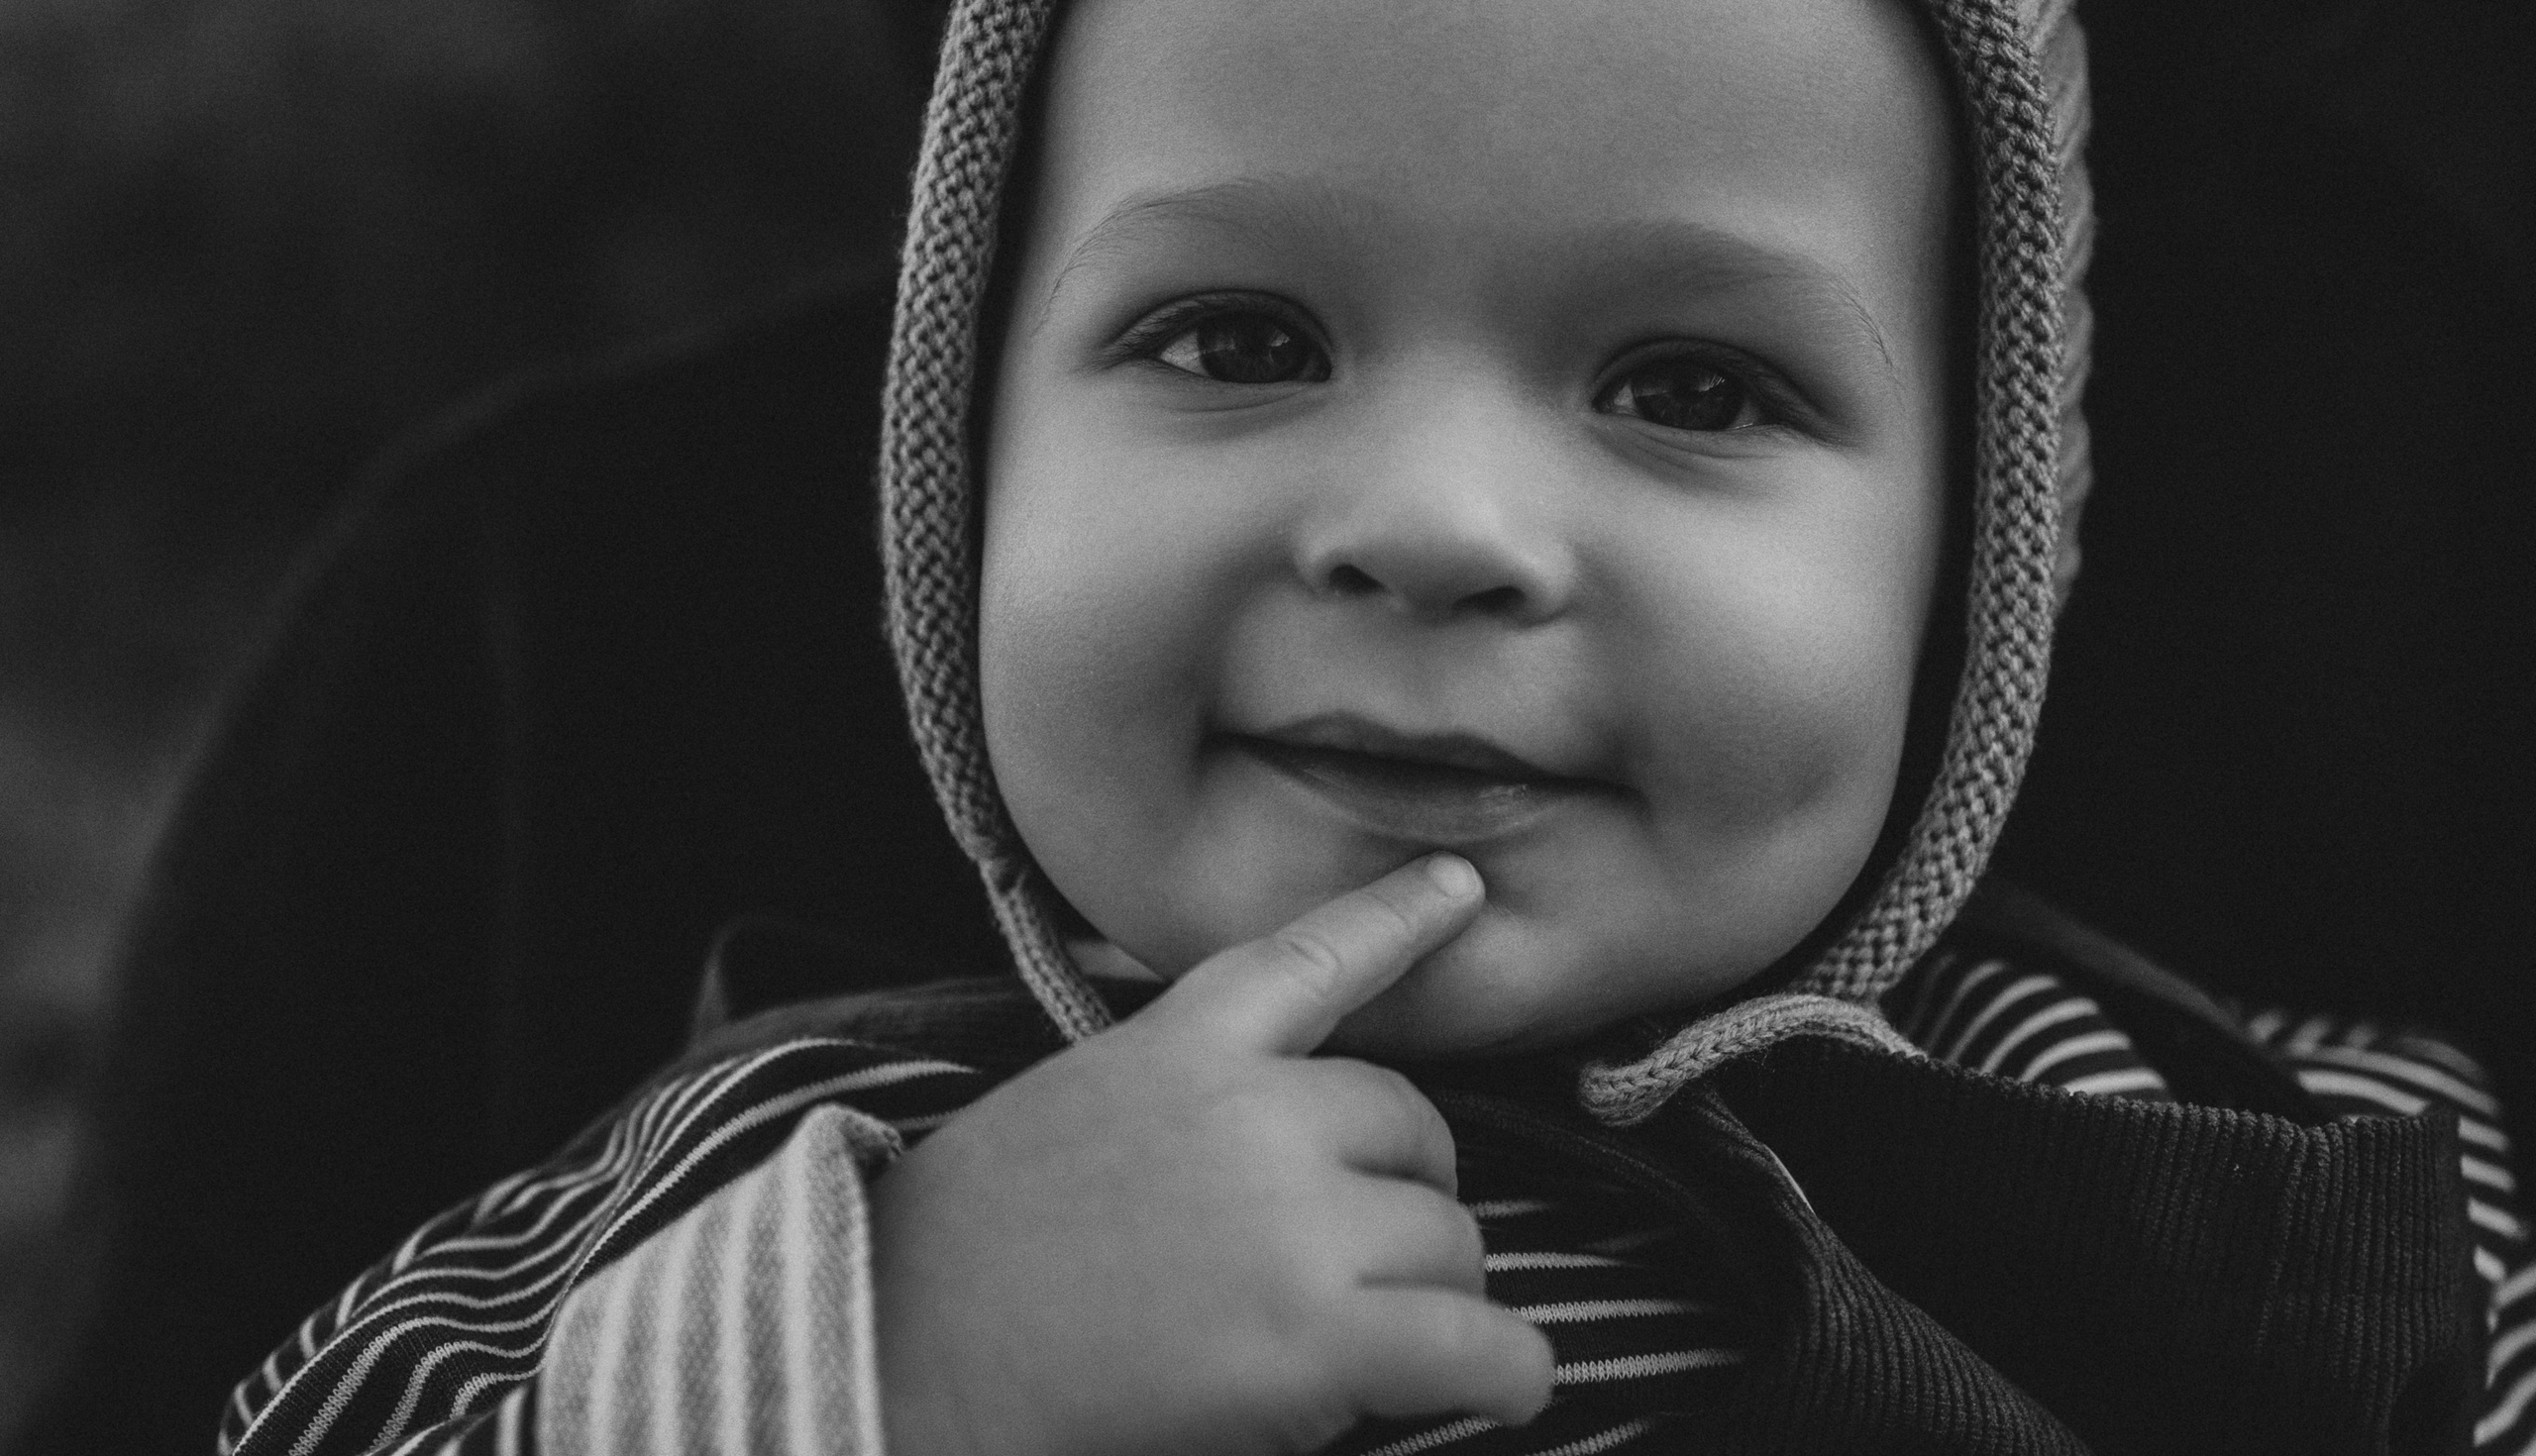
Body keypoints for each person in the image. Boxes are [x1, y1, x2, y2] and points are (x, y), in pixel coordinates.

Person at [206, 0, 2525, 1451]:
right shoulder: (781, 1190)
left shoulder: (2281, 1156)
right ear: (959, 466)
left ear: (1968, 577)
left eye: (1691, 388)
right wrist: (894, 1375)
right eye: (1236, 340)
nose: (1431, 525)